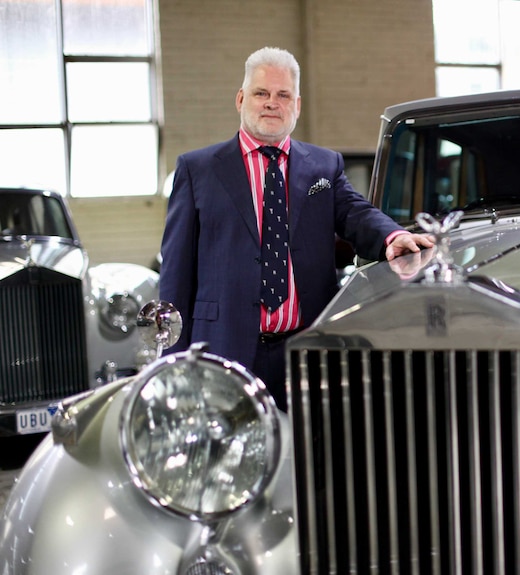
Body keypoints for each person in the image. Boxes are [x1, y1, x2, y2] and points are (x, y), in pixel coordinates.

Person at [159, 46, 434, 410]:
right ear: (241, 99)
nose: (272, 103)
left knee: (312, 456)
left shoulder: (323, 165)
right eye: (261, 93)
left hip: (305, 350)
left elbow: (355, 211)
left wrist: (393, 235)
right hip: (223, 352)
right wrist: (174, 364)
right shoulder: (198, 169)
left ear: (297, 105)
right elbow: (176, 274)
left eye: (283, 95)